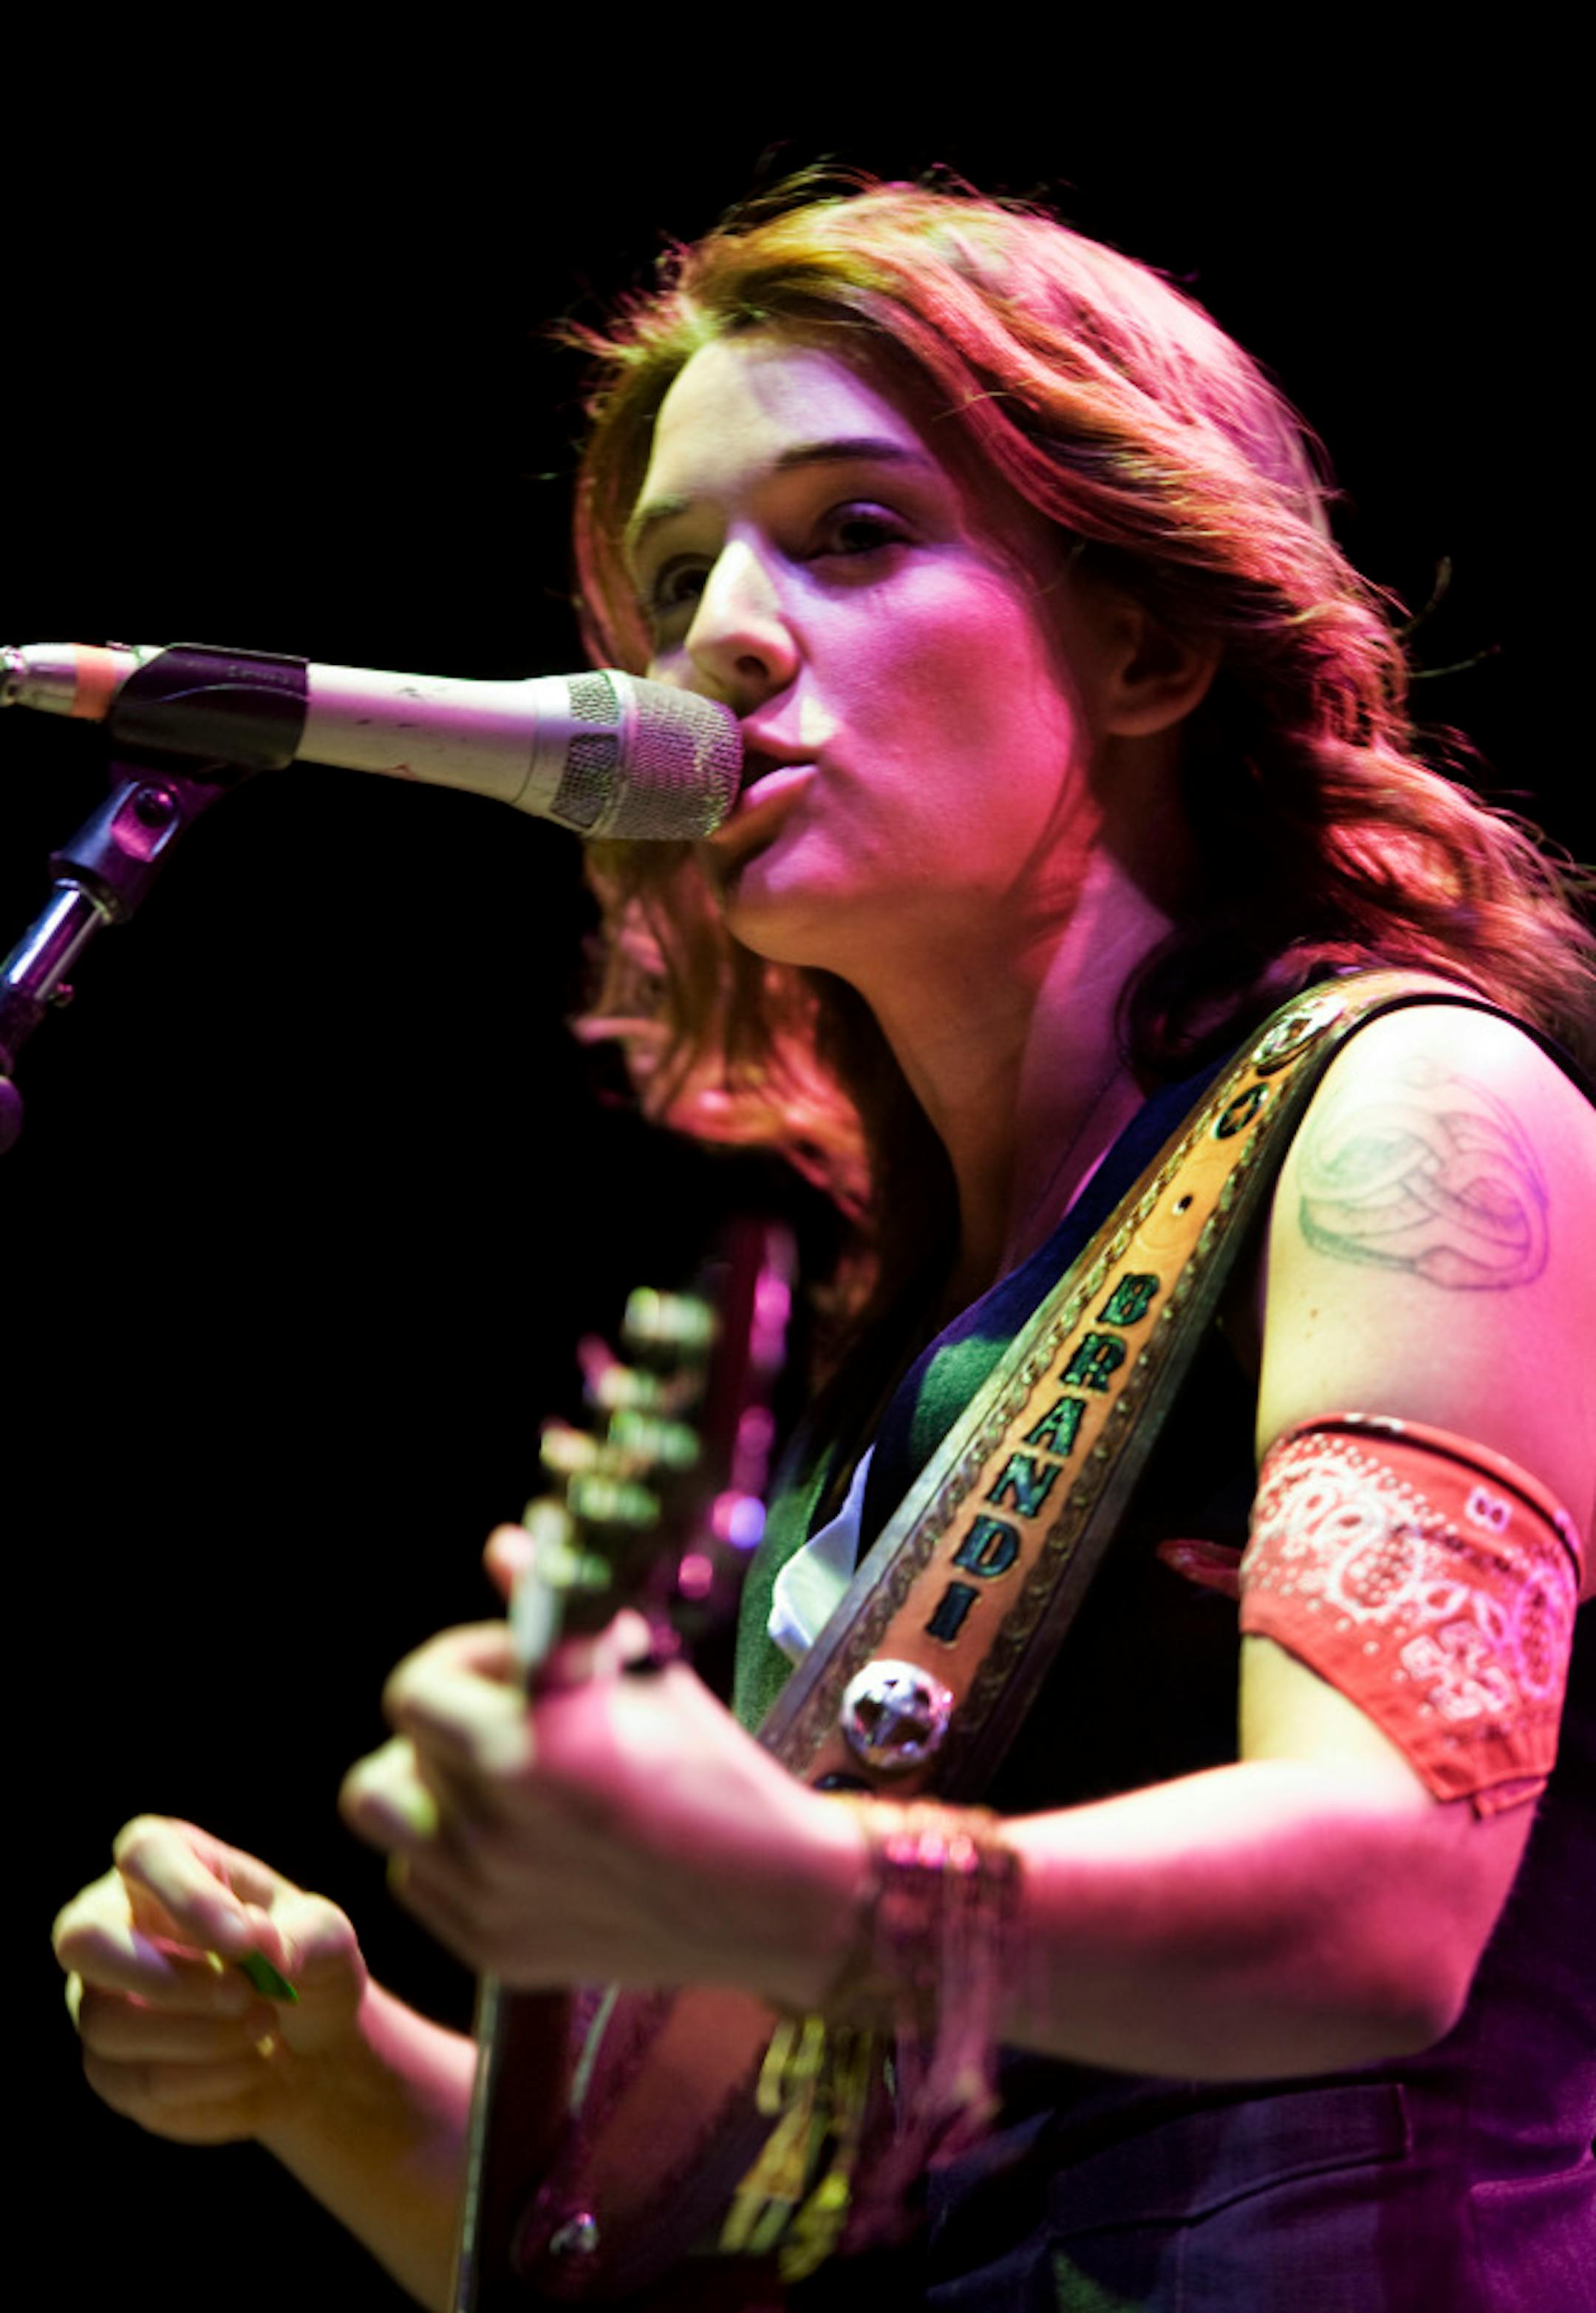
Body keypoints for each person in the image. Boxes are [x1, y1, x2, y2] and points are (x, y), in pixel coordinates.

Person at [52, 164, 1596, 2312]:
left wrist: (767, 1883)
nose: (723, 639)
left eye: (854, 532)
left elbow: (1385, 1900)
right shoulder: (911, 1366)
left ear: (1146, 635)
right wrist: (334, 2076)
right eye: (676, 578)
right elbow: (779, 2239)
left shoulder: (1405, 1112)